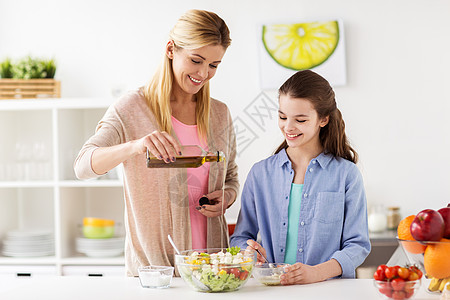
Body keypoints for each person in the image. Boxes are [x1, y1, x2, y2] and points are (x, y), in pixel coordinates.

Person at [74, 9, 239, 276]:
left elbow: (230, 176)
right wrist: (136, 146)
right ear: (171, 49)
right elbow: (82, 167)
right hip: (155, 273)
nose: (204, 73)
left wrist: (227, 197)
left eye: (213, 65)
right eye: (196, 60)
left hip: (213, 269)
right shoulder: (131, 108)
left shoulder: (220, 114)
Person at [230, 70, 370, 284]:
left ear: (323, 119)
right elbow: (240, 238)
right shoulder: (260, 174)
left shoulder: (346, 175)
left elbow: (357, 245)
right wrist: (247, 253)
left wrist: (316, 273)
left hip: (328, 291)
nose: (288, 127)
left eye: (301, 120)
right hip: (273, 289)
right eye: (282, 117)